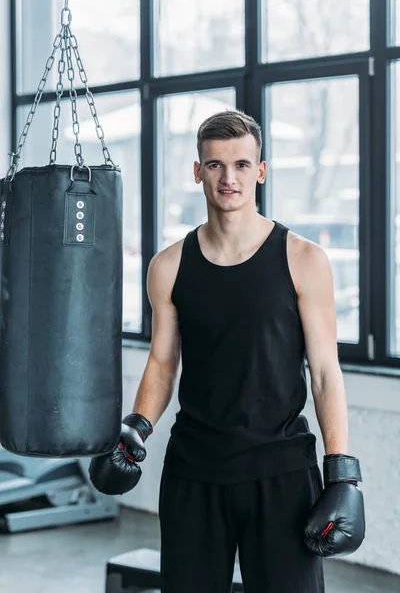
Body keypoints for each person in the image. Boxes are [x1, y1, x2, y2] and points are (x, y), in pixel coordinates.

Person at [89, 110, 365, 592]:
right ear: (198, 172)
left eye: (241, 164)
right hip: (195, 470)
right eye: (215, 165)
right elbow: (162, 361)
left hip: (281, 470)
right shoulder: (168, 266)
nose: (228, 177)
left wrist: (342, 473)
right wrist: (136, 428)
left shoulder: (302, 259)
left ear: (260, 171)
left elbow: (324, 372)